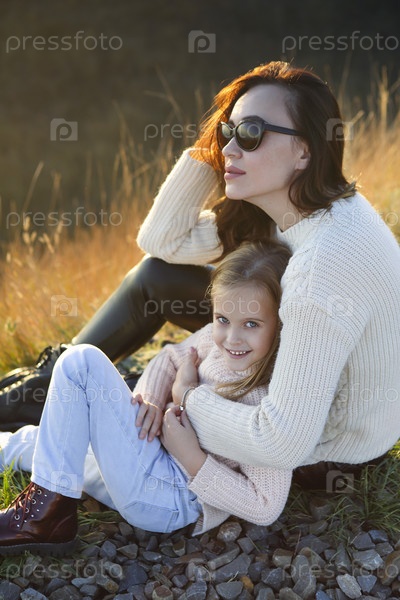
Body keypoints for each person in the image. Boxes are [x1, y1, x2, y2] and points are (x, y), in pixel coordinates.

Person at [1, 59, 400, 484]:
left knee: (118, 400)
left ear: (304, 150)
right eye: (228, 131)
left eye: (252, 133)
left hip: (328, 447)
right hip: (283, 363)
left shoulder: (325, 264)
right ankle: (45, 380)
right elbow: (163, 242)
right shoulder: (295, 207)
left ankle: (32, 404)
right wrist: (216, 152)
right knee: (155, 279)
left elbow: (281, 442)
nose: (229, 149)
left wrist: (186, 397)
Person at [0, 240, 293, 556]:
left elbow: (264, 504)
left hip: (172, 494)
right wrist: (150, 398)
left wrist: (192, 457)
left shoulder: (268, 399)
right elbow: (170, 357)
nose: (232, 338)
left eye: (251, 324)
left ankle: (42, 518)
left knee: (80, 362)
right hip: (145, 459)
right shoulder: (214, 340)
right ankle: (37, 487)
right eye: (222, 319)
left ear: (281, 323)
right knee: (52, 444)